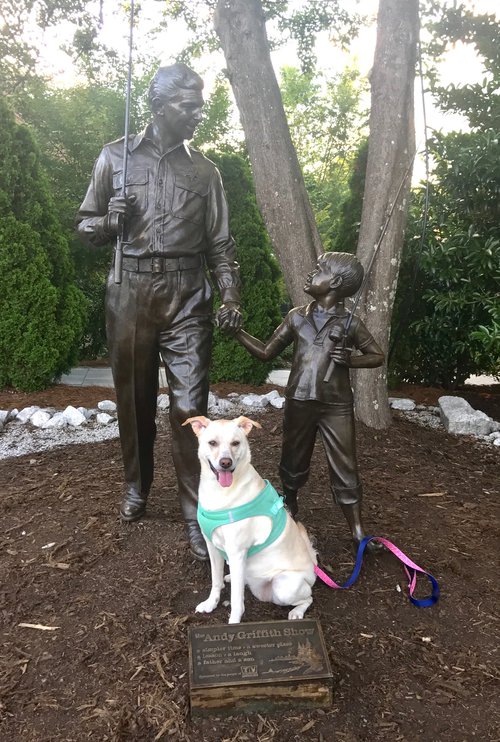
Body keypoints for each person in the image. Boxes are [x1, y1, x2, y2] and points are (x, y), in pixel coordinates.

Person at [76, 63, 242, 560]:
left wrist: (231, 294)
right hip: (130, 290)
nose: (198, 112)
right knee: (135, 401)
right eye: (189, 104)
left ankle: (196, 511)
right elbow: (84, 228)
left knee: (191, 408)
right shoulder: (114, 157)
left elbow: (221, 242)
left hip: (189, 292)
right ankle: (137, 487)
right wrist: (108, 221)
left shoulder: (205, 171)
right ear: (161, 105)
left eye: (200, 103)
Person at [233, 251, 384, 550]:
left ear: (336, 282)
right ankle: (290, 505)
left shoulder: (349, 322)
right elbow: (266, 352)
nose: (310, 273)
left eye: (319, 269)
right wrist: (237, 332)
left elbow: (377, 355)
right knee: (293, 459)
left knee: (345, 465)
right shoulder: (296, 316)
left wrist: (351, 360)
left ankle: (357, 533)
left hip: (336, 405)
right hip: (299, 400)